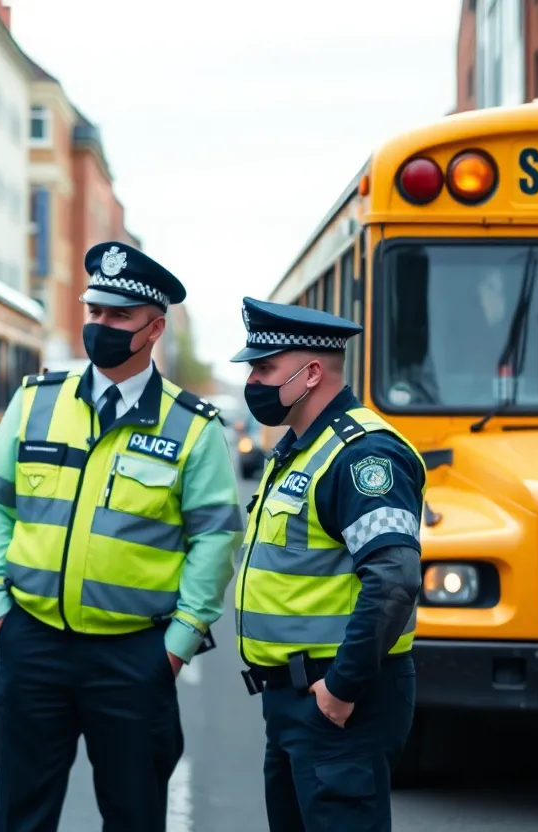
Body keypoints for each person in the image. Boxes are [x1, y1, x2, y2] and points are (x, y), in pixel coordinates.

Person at [0, 241, 243, 832]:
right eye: (95, 312)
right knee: (21, 814)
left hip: (133, 657)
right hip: (31, 646)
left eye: (119, 317)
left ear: (153, 329)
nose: (102, 326)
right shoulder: (36, 400)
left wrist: (178, 644)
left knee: (134, 816)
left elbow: (216, 539)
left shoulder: (191, 427)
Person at [230, 297, 426, 832]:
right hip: (296, 701)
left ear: (311, 372)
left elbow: (394, 579)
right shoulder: (300, 447)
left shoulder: (363, 455)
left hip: (340, 703)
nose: (253, 381)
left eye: (265, 368)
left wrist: (341, 689)